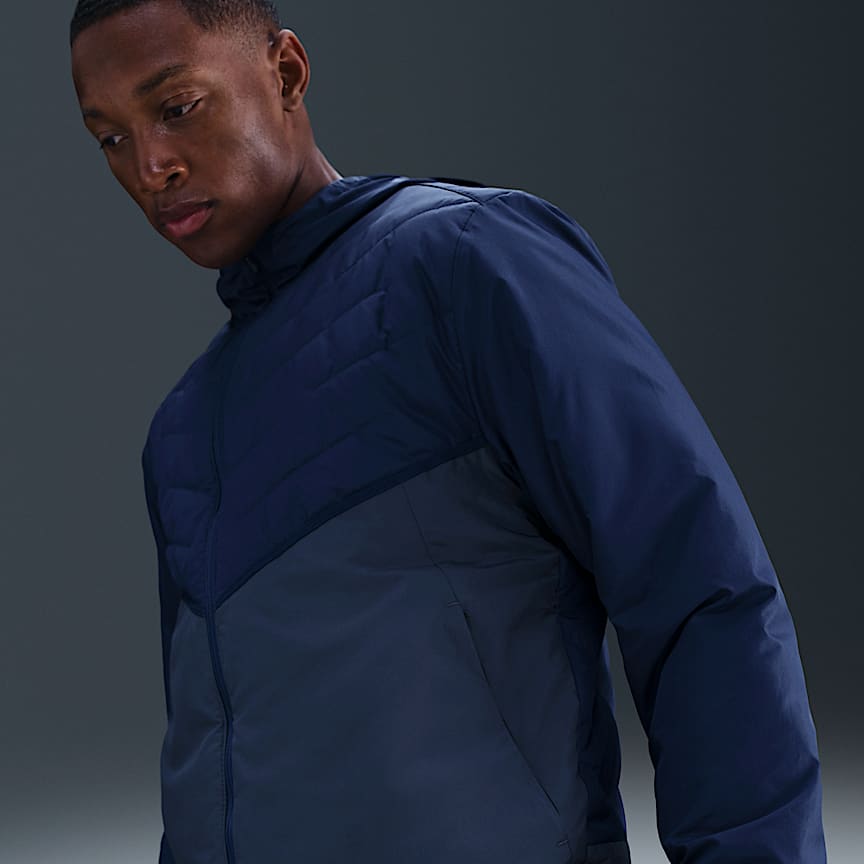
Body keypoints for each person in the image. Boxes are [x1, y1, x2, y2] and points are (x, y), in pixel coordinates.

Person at [70, 2, 827, 863]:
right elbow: (208, 759)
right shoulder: (181, 430)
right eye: (110, 138)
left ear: (285, 72)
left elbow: (701, 591)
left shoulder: (468, 262)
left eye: (176, 107)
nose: (150, 166)